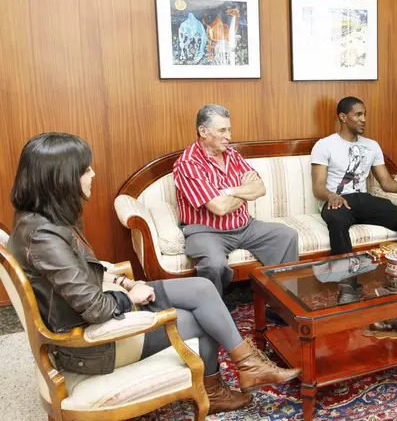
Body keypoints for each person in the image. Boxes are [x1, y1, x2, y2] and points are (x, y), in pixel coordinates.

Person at [7, 133, 301, 415]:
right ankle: (215, 391)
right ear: (61, 179)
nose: (93, 174)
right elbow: (95, 309)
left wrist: (123, 281)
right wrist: (128, 297)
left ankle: (248, 365)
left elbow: (85, 271)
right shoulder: (43, 237)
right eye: (85, 169)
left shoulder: (45, 220)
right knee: (202, 320)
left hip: (98, 303)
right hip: (90, 344)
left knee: (201, 288)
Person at [173, 104, 299, 300]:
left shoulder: (233, 155)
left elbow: (260, 188)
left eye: (229, 129)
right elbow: (219, 207)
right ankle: (214, 310)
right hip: (206, 231)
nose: (229, 136)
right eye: (222, 130)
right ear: (203, 132)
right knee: (214, 264)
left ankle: (281, 303)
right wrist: (243, 193)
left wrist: (229, 191)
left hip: (245, 226)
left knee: (287, 236)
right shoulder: (188, 163)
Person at [311, 96, 397, 255]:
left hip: (364, 200)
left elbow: (386, 182)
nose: (363, 119)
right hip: (337, 202)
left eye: (365, 114)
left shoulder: (372, 146)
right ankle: (346, 276)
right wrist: (332, 196)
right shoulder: (324, 145)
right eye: (358, 115)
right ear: (343, 117)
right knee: (337, 222)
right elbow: (318, 188)